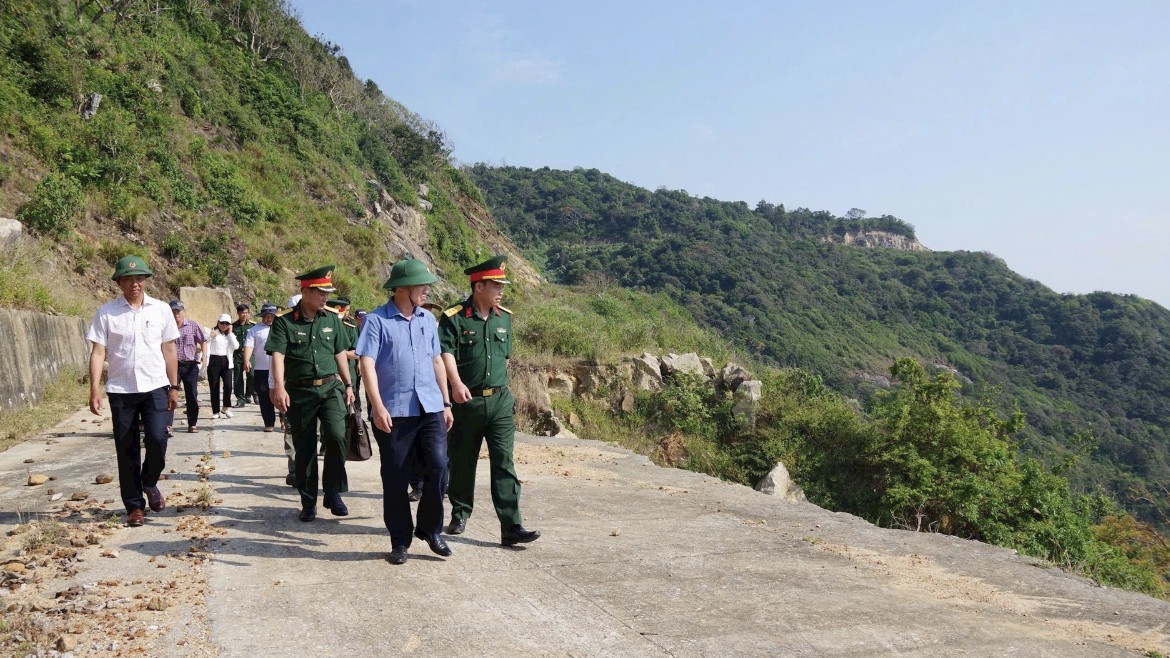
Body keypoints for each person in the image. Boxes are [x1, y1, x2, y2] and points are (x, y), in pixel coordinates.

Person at [357, 259, 453, 565]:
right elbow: (366, 364)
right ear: (401, 288)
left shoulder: (427, 319)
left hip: (430, 406)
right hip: (394, 411)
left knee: (438, 467)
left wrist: (446, 402)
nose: (426, 290)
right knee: (396, 477)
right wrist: (377, 406)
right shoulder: (376, 321)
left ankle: (430, 529)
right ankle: (400, 540)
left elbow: (437, 360)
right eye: (420, 285)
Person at [439, 255, 540, 546]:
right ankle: (460, 512)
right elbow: (445, 355)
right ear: (478, 286)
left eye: (502, 285)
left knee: (504, 462)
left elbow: (505, 359)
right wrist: (455, 385)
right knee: (462, 460)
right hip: (466, 401)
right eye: (496, 285)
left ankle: (511, 525)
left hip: (499, 403)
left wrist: (502, 393)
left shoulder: (504, 317)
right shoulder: (454, 318)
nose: (501, 290)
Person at [86, 256, 180, 527]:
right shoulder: (106, 312)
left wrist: (174, 387)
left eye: (139, 278)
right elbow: (98, 351)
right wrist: (95, 388)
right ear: (119, 282)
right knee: (126, 448)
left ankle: (149, 481)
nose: (134, 283)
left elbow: (170, 350)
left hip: (155, 386)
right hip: (121, 389)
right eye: (128, 279)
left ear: (146, 280)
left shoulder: (161, 309)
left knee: (158, 438)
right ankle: (134, 506)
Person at [266, 265, 355, 521]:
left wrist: (348, 385)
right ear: (305, 292)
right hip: (300, 392)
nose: (325, 297)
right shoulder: (284, 322)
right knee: (304, 448)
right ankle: (308, 501)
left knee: (338, 438)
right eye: (320, 292)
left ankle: (333, 492)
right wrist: (279, 387)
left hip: (330, 388)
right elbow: (278, 356)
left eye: (327, 292)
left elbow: (340, 352)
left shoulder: (331, 319)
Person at [169, 300, 206, 433]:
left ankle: (192, 423)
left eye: (178, 311)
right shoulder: (167, 326)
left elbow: (203, 340)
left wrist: (204, 355)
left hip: (190, 365)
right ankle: (168, 424)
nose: (176, 314)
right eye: (173, 311)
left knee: (192, 395)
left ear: (183, 311)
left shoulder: (192, 325)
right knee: (170, 393)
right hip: (173, 365)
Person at [243, 303, 278, 433]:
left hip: (280, 369)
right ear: (262, 316)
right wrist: (246, 360)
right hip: (262, 369)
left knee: (283, 395)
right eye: (266, 316)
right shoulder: (255, 330)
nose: (269, 318)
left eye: (271, 316)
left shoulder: (281, 328)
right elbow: (249, 345)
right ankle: (269, 423)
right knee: (264, 397)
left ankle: (285, 420)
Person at [206, 313, 240, 419]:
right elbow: (204, 341)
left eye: (227, 323)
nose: (224, 325)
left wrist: (230, 334)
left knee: (228, 386)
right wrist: (211, 336)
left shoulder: (230, 335)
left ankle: (226, 407)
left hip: (226, 361)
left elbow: (236, 346)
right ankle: (215, 411)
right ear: (218, 322)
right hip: (214, 360)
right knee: (214, 386)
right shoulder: (212, 331)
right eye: (222, 323)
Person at [232, 303, 257, 407]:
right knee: (238, 377)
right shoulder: (233, 326)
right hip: (237, 354)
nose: (245, 315)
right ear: (238, 313)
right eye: (242, 313)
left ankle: (254, 394)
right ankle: (240, 399)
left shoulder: (253, 326)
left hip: (250, 353)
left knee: (252, 375)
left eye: (246, 313)